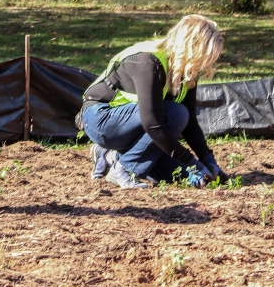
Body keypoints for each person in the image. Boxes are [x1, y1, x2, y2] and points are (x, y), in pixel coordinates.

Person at [79, 14, 227, 189]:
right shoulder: (149, 62)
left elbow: (191, 124)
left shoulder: (185, 71)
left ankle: (111, 157)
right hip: (101, 119)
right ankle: (123, 169)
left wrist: (208, 159)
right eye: (204, 57)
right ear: (191, 48)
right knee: (176, 114)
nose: (205, 64)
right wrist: (192, 162)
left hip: (134, 125)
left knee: (179, 175)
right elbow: (153, 123)